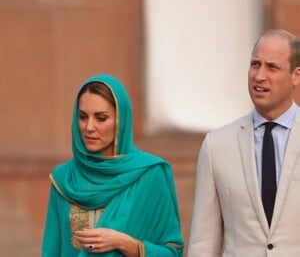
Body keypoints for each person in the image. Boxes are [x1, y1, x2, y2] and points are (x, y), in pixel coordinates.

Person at [42, 73, 184, 257]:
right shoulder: (64, 179)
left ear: (121, 120)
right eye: (83, 117)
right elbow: (50, 252)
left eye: (101, 118)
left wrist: (125, 244)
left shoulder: (150, 174)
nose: (89, 127)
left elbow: (173, 252)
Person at [188, 29, 300, 257]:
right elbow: (203, 241)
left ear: (296, 76)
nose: (259, 76)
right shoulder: (216, 145)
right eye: (255, 64)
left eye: (272, 67)